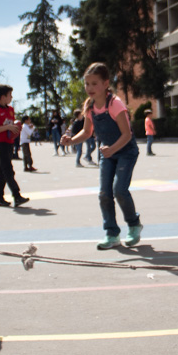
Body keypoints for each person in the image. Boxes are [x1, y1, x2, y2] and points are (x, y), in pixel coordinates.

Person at [61, 62, 142, 250]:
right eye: (87, 84)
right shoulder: (89, 106)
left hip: (125, 151)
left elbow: (127, 134)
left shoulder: (115, 104)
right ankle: (112, 233)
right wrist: (71, 140)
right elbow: (87, 132)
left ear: (106, 83)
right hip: (108, 153)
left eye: (94, 83)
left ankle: (134, 225)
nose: (89, 88)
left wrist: (112, 149)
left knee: (119, 190)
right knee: (104, 193)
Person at [0, 85, 30, 207]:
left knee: (2, 171)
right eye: (9, 95)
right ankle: (16, 195)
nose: (11, 97)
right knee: (8, 170)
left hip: (9, 143)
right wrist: (7, 127)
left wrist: (16, 127)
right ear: (3, 97)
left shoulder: (10, 109)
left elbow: (11, 125)